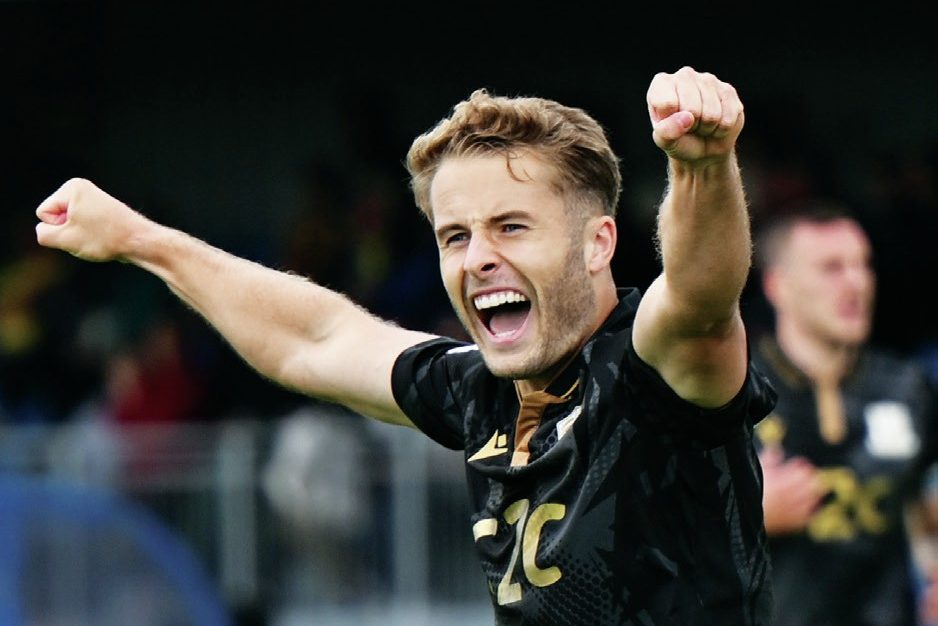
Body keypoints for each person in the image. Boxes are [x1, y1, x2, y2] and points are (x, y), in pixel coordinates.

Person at [34, 66, 777, 625]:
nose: (477, 258)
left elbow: (701, 299)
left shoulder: (653, 368)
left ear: (598, 244)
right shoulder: (481, 390)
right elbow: (315, 338)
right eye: (455, 236)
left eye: (511, 227)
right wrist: (140, 240)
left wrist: (702, 165)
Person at [750, 200, 938, 626]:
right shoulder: (734, 391)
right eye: (831, 268)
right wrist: (747, 516)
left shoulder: (906, 386)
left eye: (863, 265)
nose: (857, 282)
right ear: (778, 286)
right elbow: (655, 534)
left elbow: (927, 502)